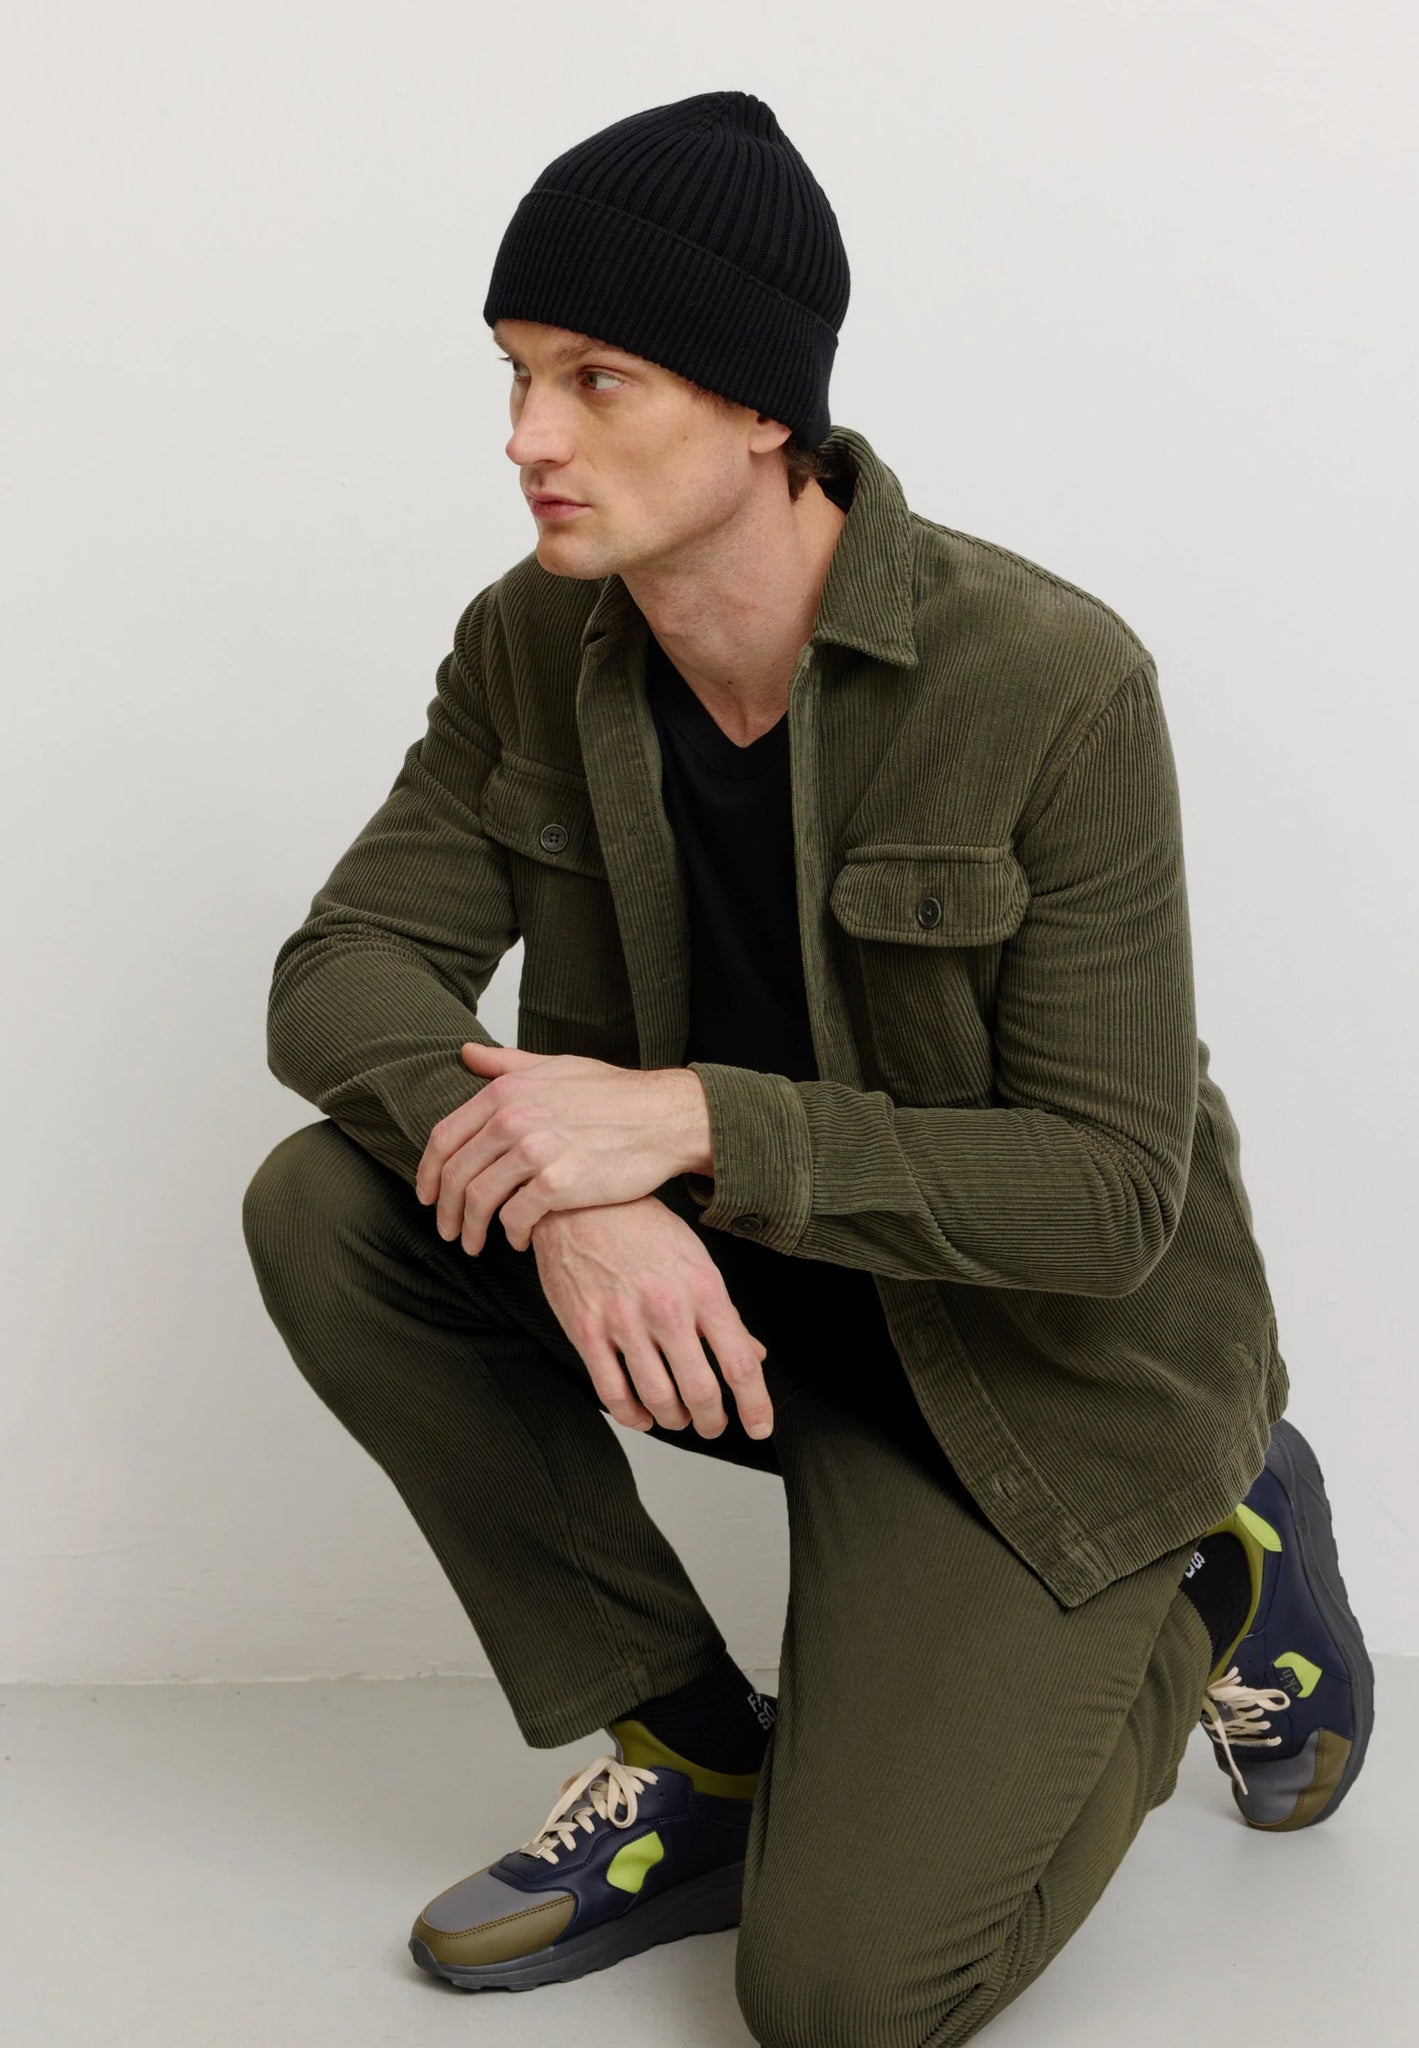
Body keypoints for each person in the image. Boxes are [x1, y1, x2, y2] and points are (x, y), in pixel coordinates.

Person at [241, 89, 1374, 2046]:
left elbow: (1109, 1193)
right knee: (331, 1203)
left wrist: (682, 1120)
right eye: (515, 375)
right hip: (751, 1302)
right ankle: (693, 1752)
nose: (526, 438)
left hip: (1034, 1376)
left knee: (845, 1999)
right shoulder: (529, 646)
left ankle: (1219, 1566)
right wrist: (565, 1190)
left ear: (763, 406)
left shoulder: (1048, 679)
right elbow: (343, 972)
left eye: (594, 379)